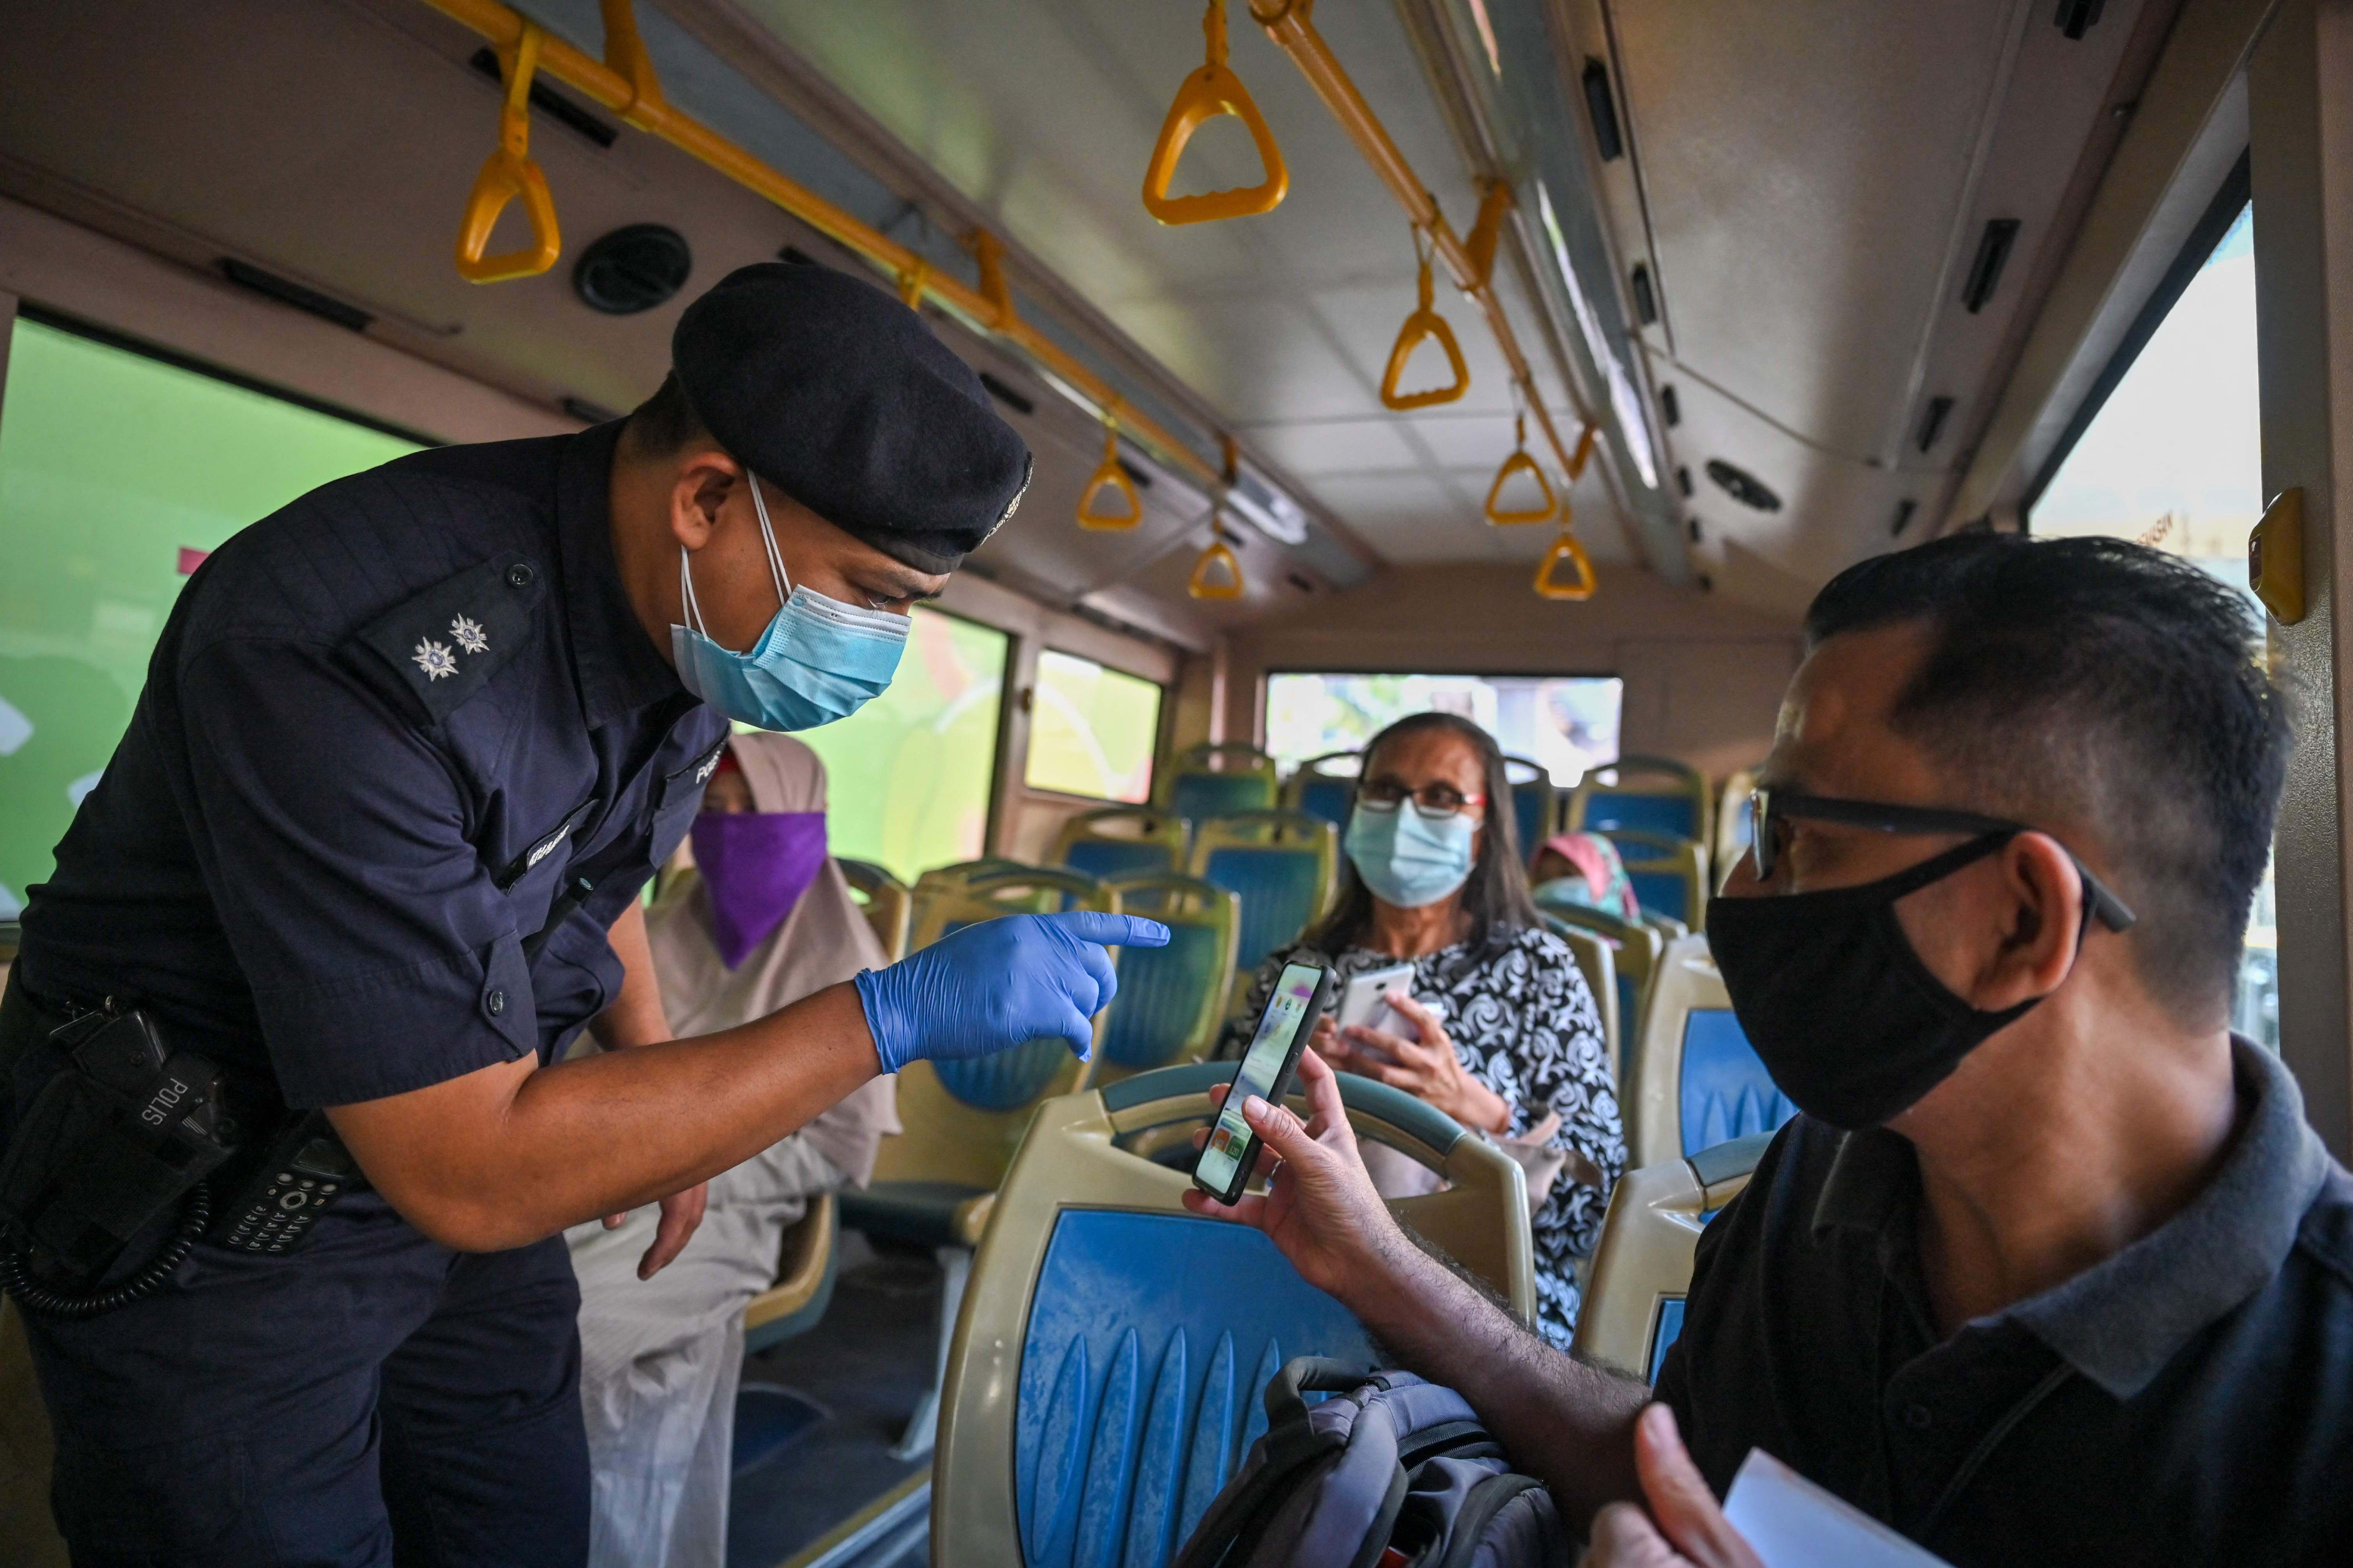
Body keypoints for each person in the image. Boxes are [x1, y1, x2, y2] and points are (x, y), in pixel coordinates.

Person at [0, 260, 1166, 1566]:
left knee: (519, 1527)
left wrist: (662, 1084)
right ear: (707, 498)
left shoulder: (690, 619)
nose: (882, 641)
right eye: (873, 590)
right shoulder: (345, 647)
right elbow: (468, 1167)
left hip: (458, 1193)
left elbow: (583, 874)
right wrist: (895, 1013)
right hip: (219, 1213)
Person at [1187, 535, 2353, 1566]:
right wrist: (1376, 1260)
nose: (1742, 892)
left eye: (1792, 837)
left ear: (2020, 919)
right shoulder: (1815, 1181)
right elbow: (1681, 1468)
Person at [566, 733, 894, 1568]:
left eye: (758, 811)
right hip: (611, 1176)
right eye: (714, 809)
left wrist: (685, 1157)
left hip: (733, 1208)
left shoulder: (845, 962)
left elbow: (836, 1149)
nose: (733, 828)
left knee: (580, 1330)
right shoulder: (666, 929)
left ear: (808, 820)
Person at [1221, 712, 1625, 1346]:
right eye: (1385, 790)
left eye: (1440, 796)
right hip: (1301, 1275)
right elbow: (1222, 1159)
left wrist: (1477, 1109)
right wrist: (1289, 1110)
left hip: (1483, 1301)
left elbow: (1593, 1211)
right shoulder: (1295, 973)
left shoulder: (1537, 969)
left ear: (1483, 830)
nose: (1406, 815)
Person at [1529, 831, 1642, 924]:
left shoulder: (1632, 940)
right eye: (1545, 880)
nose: (1553, 889)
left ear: (1603, 879)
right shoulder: (1532, 937)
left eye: (1567, 875)